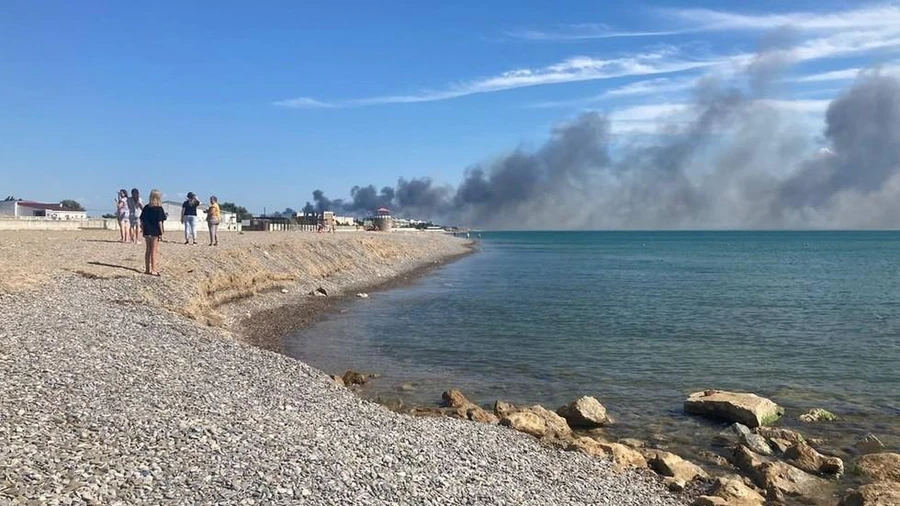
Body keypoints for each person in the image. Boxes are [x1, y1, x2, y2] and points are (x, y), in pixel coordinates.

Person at [140, 189, 166, 276]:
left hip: (147, 231)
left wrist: (143, 230)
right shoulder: (159, 209)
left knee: (148, 250)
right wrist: (162, 232)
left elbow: (142, 220)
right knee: (154, 251)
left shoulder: (146, 207)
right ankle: (154, 269)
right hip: (155, 232)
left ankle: (147, 269)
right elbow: (160, 222)